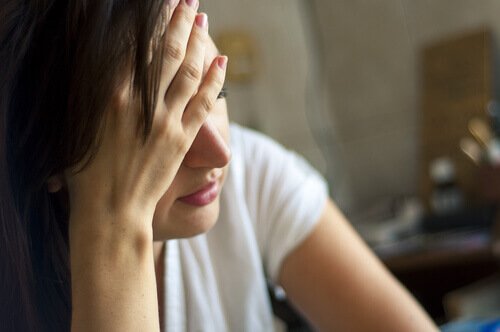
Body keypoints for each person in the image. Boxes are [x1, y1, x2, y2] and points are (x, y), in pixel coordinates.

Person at [0, 0, 438, 331]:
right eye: (157, 127)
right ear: (52, 162)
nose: (219, 153)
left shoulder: (250, 172)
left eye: (216, 94)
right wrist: (114, 223)